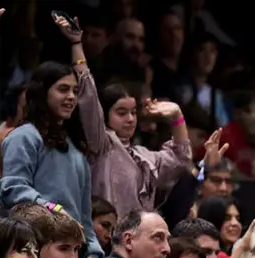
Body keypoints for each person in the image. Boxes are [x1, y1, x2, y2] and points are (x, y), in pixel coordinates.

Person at [57, 15, 192, 219]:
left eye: (133, 113)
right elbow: (88, 95)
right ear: (104, 115)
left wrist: (177, 116)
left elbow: (181, 159)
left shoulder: (143, 156)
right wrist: (77, 45)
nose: (130, 119)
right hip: (106, 239)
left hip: (139, 243)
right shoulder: (101, 145)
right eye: (121, 112)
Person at [0, 62, 102, 258]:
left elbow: (84, 213)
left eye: (75, 90)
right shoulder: (24, 136)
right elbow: (14, 189)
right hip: (33, 248)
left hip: (72, 252)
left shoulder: (76, 149)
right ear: (42, 93)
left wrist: (93, 248)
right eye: (63, 89)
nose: (71, 97)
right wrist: (53, 209)